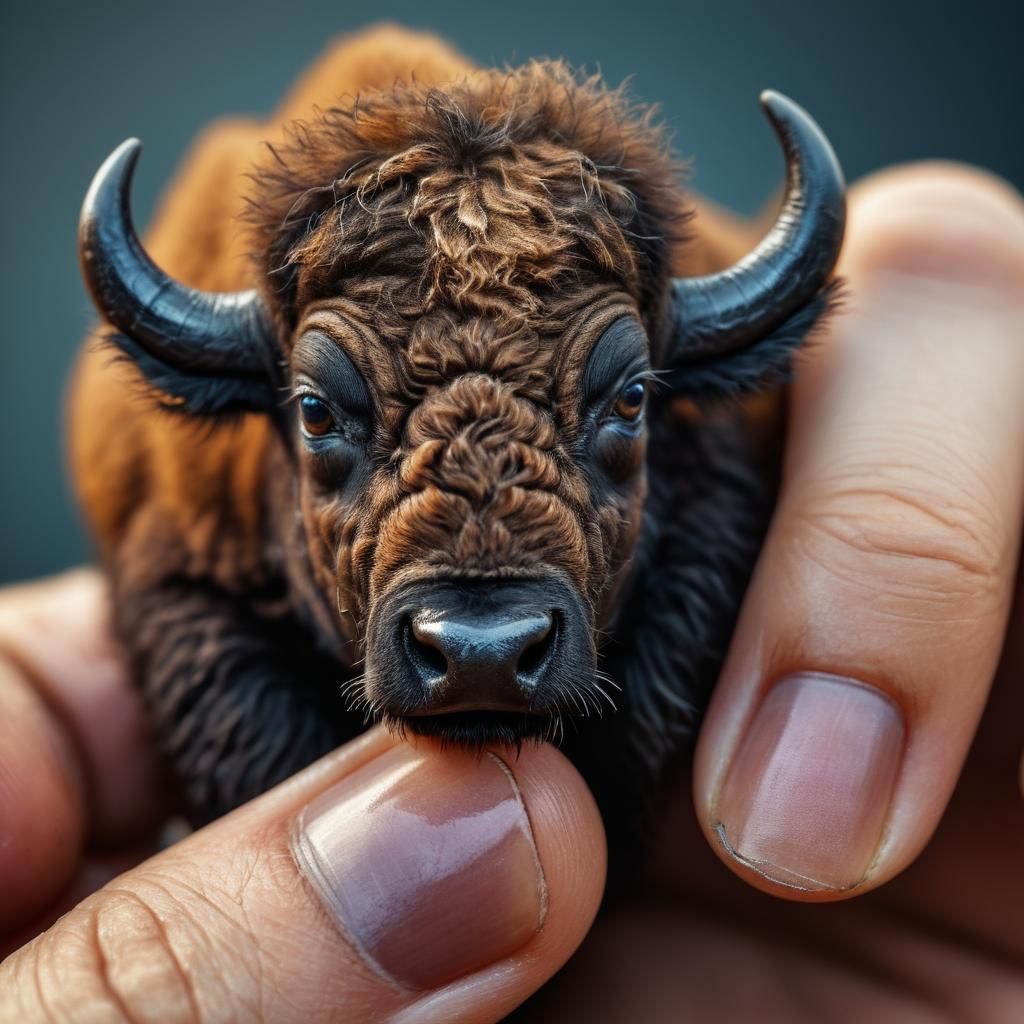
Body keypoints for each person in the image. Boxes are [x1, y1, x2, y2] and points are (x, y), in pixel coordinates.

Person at [1, 162, 1022, 1022]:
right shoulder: (189, 505)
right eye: (324, 411)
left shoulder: (707, 468)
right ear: (259, 406)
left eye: (621, 399)